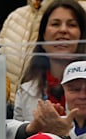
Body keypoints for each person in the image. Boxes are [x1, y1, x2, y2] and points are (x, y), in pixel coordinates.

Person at [12, 1, 86, 131]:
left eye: (72, 25)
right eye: (55, 24)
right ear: (43, 36)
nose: (63, 30)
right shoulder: (25, 91)